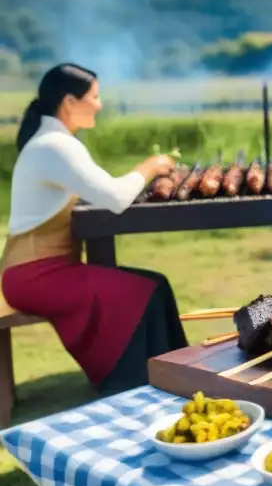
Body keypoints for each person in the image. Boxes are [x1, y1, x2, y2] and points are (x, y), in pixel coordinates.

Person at [0, 64, 188, 395]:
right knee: (142, 292)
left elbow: (101, 189)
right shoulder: (54, 146)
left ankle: (170, 377)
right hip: (34, 275)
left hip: (41, 270)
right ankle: (136, 385)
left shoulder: (54, 142)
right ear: (70, 102)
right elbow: (115, 197)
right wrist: (152, 166)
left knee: (155, 284)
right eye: (95, 97)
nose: (100, 104)